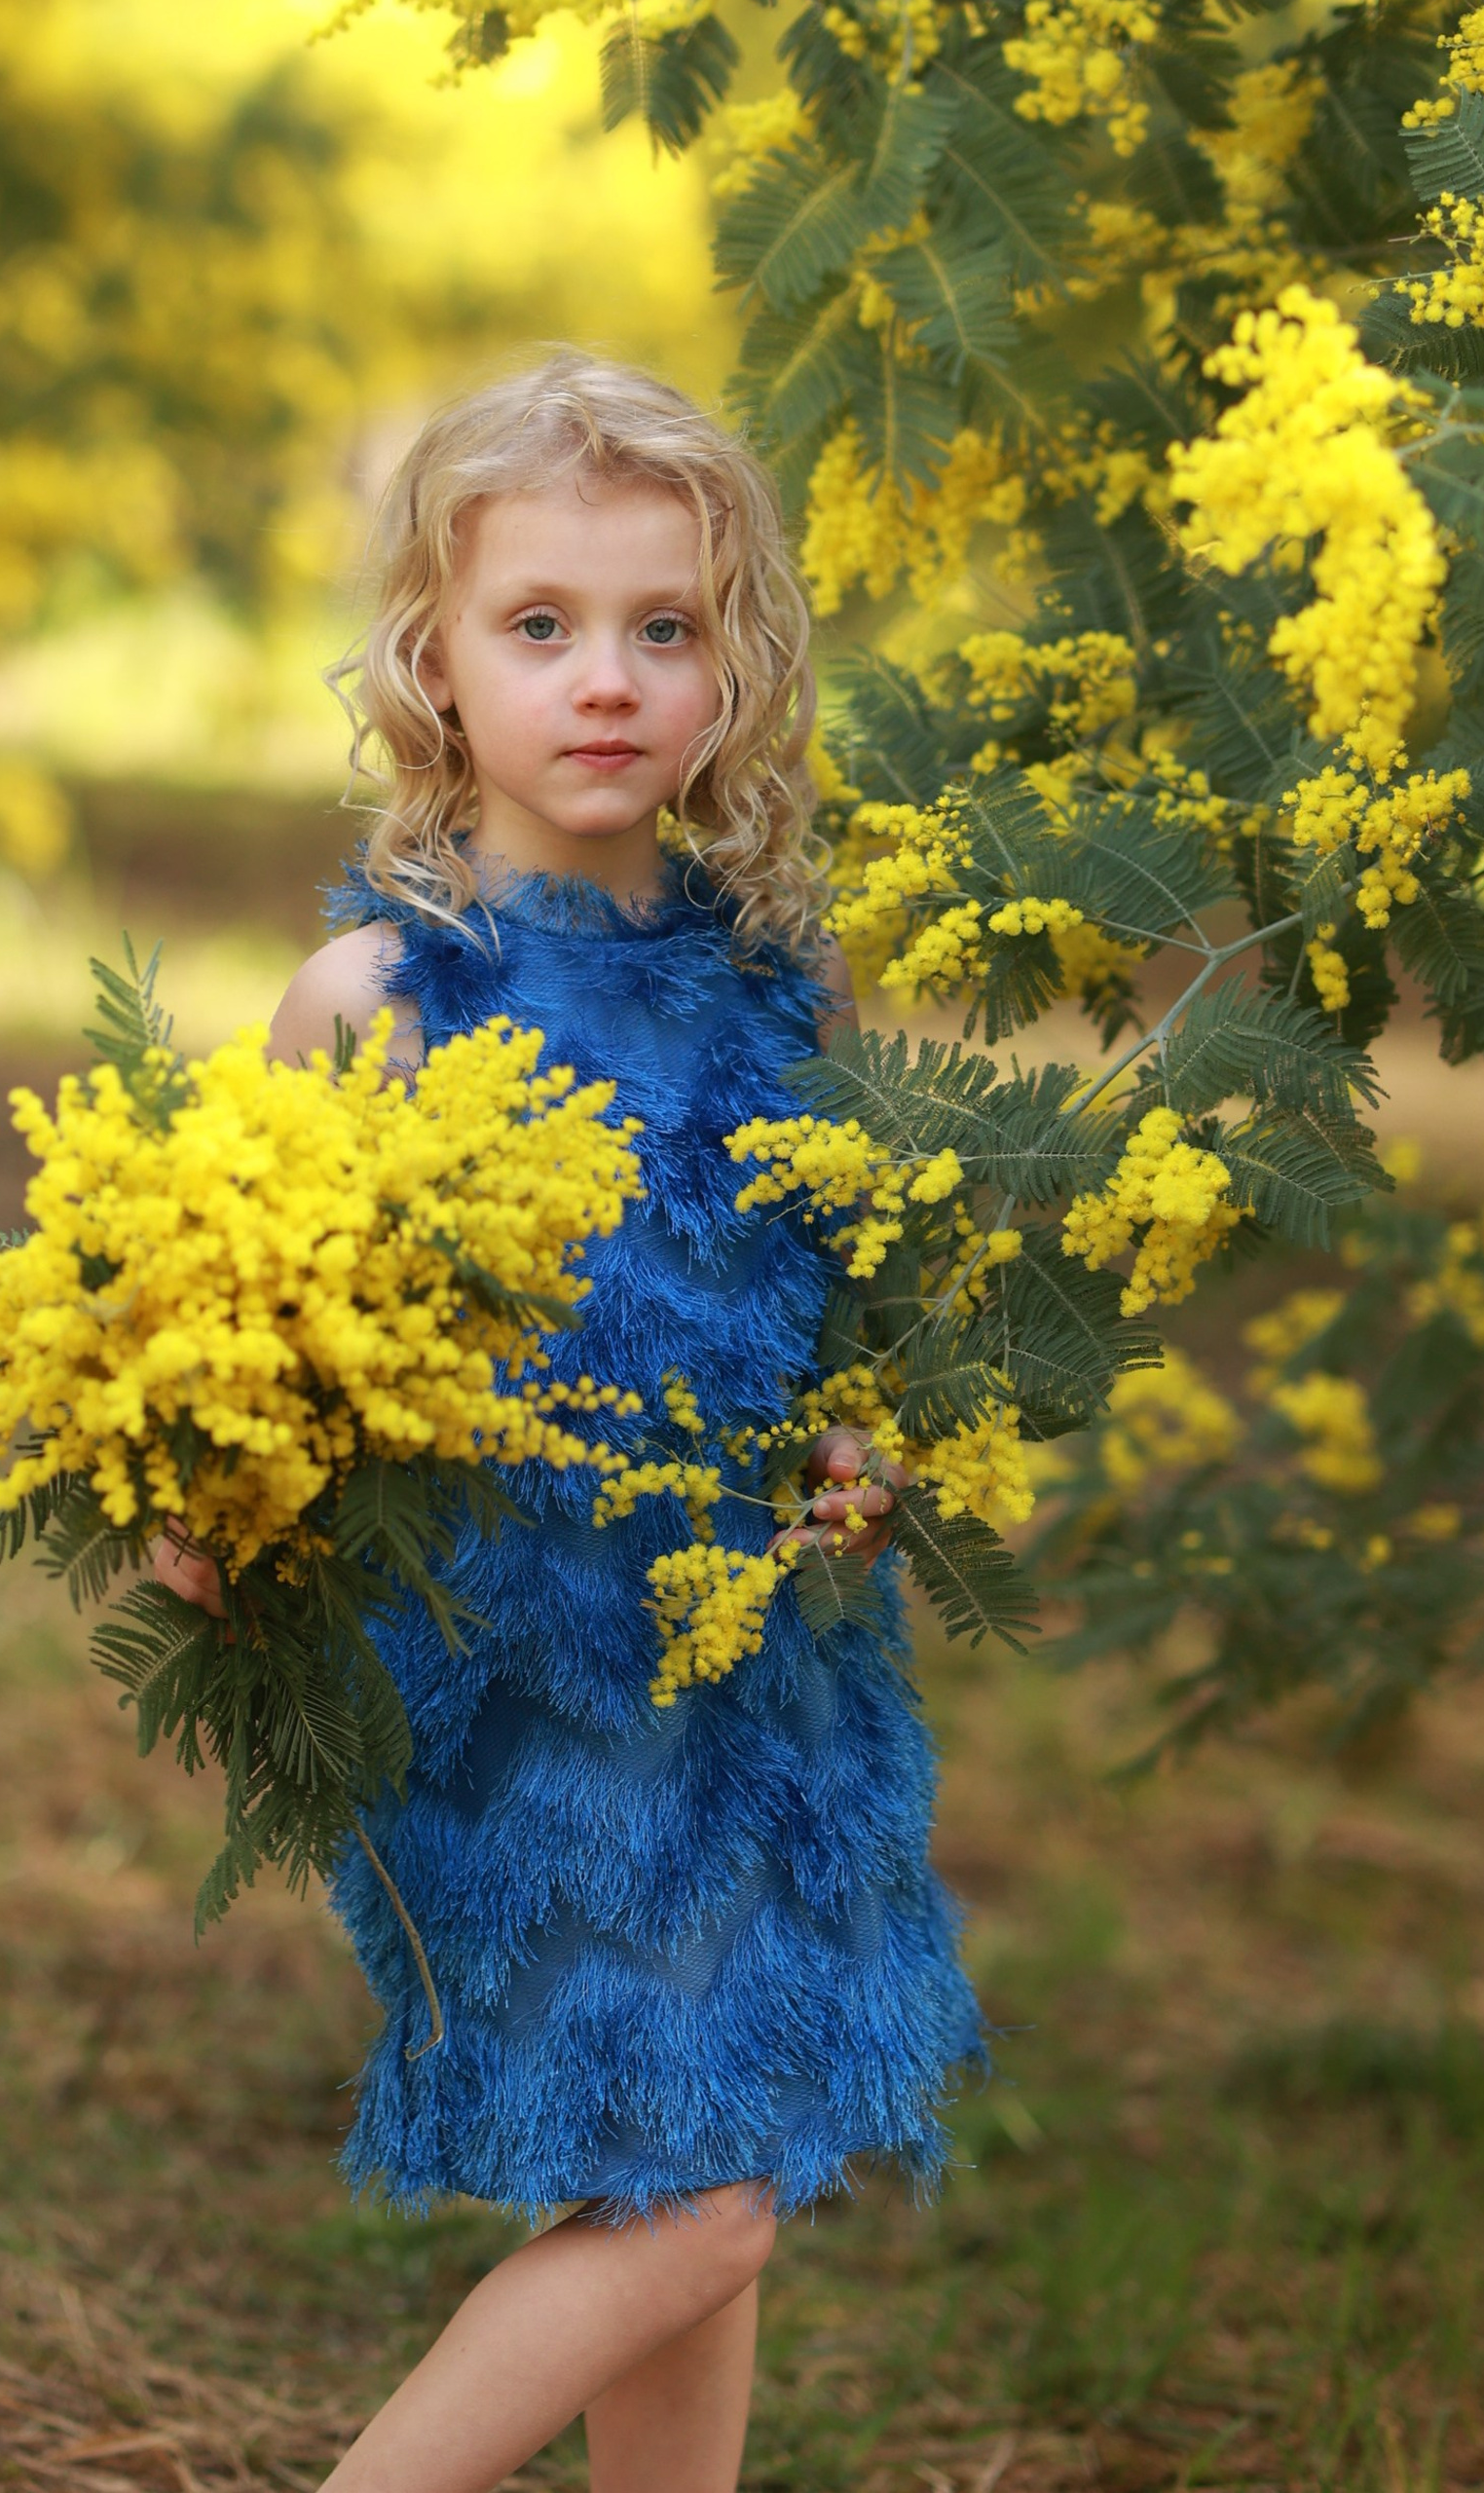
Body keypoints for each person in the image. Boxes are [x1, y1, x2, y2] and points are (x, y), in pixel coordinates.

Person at [156, 350, 980, 2493]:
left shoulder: (777, 984)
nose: (600, 680)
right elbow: (231, 1331)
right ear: (432, 659)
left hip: (749, 1672)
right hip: (509, 1681)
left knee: (709, 2183)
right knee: (691, 2196)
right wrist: (207, 1503)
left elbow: (816, 1318)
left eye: (660, 626)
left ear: (735, 663)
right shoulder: (378, 996)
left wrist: (852, 1454)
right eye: (538, 626)